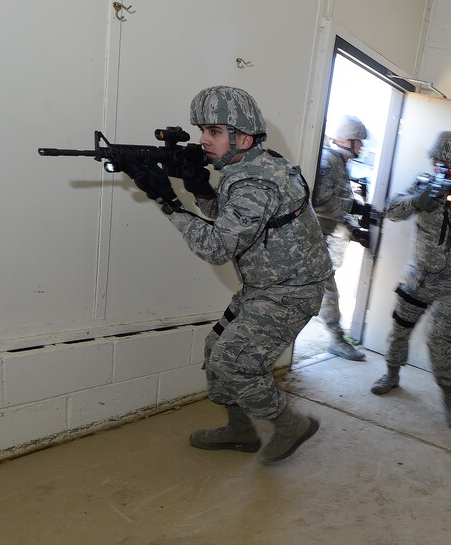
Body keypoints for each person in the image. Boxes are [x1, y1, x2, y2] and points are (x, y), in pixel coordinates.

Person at [117, 85, 332, 464]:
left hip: (291, 292)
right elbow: (234, 222)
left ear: (244, 138)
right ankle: (240, 430)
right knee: (215, 349)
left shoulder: (256, 182)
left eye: (214, 131)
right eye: (202, 130)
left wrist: (167, 200)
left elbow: (217, 247)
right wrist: (200, 189)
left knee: (234, 362)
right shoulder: (252, 166)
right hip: (266, 285)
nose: (203, 139)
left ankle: (289, 425)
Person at [370, 131, 451, 428]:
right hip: (420, 277)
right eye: (442, 163)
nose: (447, 170)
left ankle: (448, 396)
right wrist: (416, 201)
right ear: (434, 161)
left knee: (441, 339)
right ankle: (392, 374)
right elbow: (391, 211)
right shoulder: (421, 185)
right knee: (400, 328)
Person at [311, 115, 373, 361]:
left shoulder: (339, 163)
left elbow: (338, 206)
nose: (362, 146)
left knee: (324, 290)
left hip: (322, 240)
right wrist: (355, 207)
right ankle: (336, 339)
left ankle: (336, 337)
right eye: (359, 141)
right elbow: (320, 201)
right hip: (311, 241)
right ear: (347, 140)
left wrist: (355, 231)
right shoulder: (328, 161)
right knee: (328, 291)